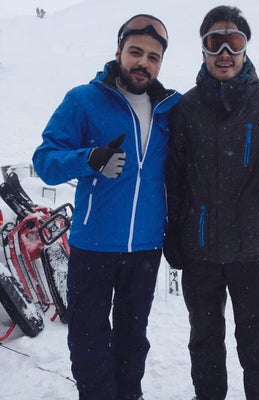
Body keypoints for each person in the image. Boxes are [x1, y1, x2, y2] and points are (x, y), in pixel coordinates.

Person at [163, 6, 259, 400]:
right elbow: (173, 180)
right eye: (215, 43)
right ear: (204, 51)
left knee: (258, 342)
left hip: (253, 249)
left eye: (234, 42)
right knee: (205, 342)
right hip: (200, 251)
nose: (225, 53)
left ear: (245, 48)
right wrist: (171, 233)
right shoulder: (186, 109)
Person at [32, 14, 181, 400]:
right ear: (118, 52)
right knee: (88, 339)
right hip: (93, 245)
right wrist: (89, 158)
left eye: (153, 57)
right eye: (136, 52)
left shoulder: (170, 109)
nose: (143, 62)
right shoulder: (84, 100)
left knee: (134, 339)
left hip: (146, 247)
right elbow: (45, 160)